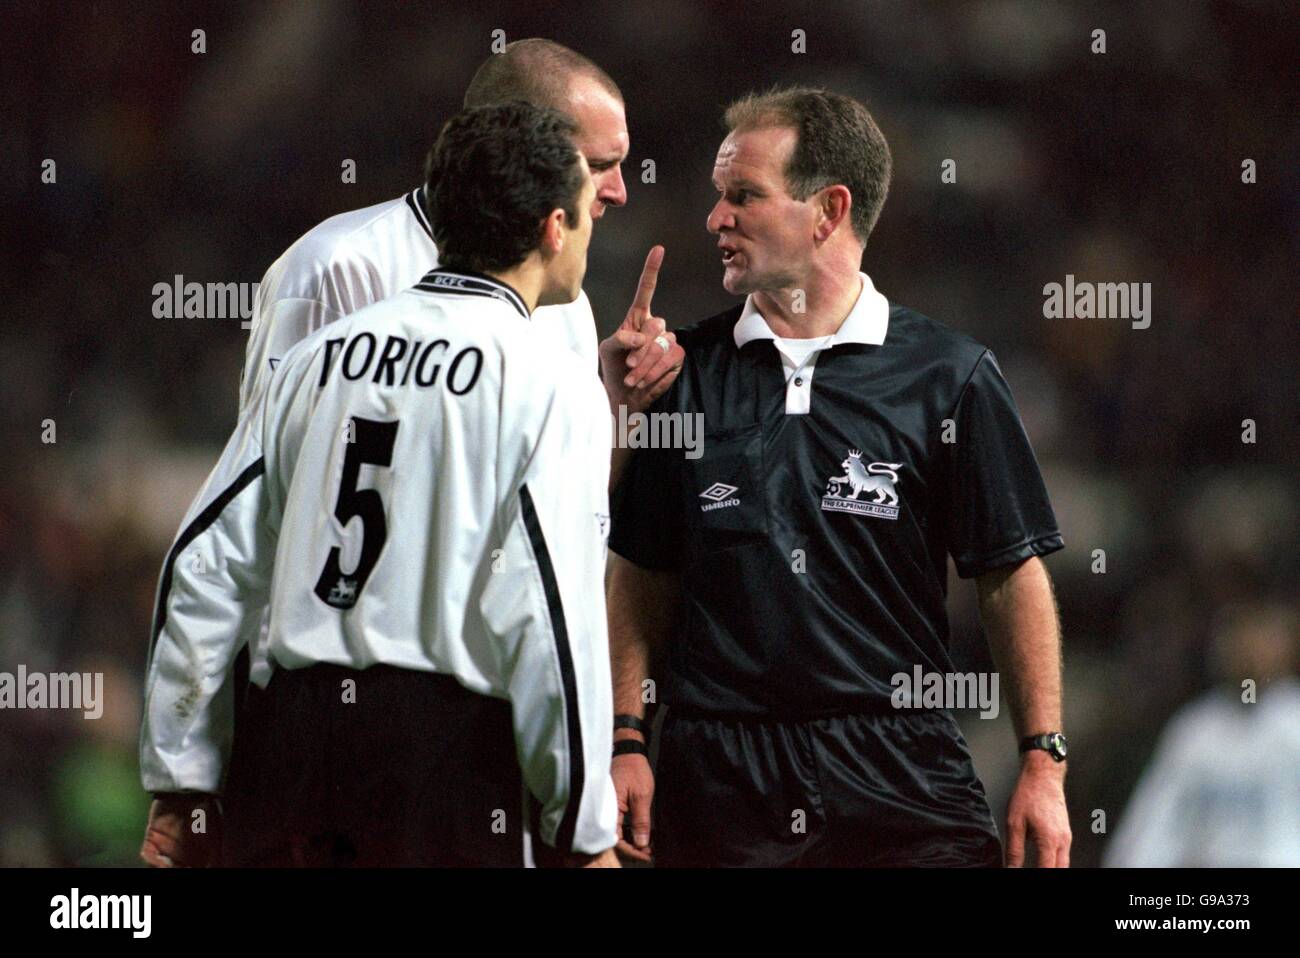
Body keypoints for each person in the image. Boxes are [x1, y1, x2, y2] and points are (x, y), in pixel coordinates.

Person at [140, 102, 619, 867]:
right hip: (444, 766)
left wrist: (182, 781)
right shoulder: (547, 383)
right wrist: (584, 828)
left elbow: (205, 563)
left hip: (287, 755)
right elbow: (552, 611)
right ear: (554, 227)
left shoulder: (317, 359)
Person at [607, 87, 1071, 867]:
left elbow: (1008, 570)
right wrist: (627, 738)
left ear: (828, 211)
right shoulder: (679, 377)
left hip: (900, 770)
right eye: (719, 197)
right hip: (720, 776)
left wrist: (1042, 761)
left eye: (743, 196)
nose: (715, 218)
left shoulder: (948, 377)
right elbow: (640, 566)